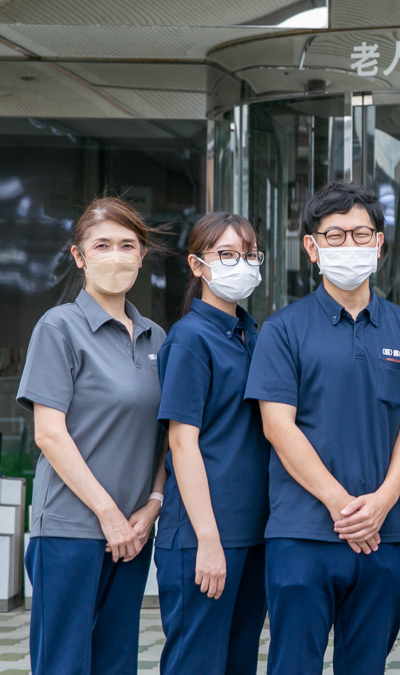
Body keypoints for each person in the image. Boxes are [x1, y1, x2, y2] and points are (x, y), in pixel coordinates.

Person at [245, 180, 400, 674]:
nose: (349, 245)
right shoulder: (282, 329)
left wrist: (381, 504)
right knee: (294, 664)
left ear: (379, 242)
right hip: (303, 534)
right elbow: (278, 427)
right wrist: (342, 505)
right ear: (311, 247)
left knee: (367, 665)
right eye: (334, 236)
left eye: (361, 233)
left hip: (385, 536)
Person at [17, 197, 167, 674]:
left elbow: (167, 434)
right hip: (70, 531)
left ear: (142, 256)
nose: (117, 255)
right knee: (64, 664)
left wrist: (152, 506)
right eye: (102, 244)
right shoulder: (59, 328)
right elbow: (50, 435)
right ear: (79, 256)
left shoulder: (157, 338)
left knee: (117, 662)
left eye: (127, 244)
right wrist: (109, 516)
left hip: (133, 532)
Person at [155, 212, 269, 674]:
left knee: (238, 662)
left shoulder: (252, 334)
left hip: (252, 532)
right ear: (198, 265)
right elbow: (182, 444)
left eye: (249, 255)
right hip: (204, 535)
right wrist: (208, 540)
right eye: (226, 255)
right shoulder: (190, 339)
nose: (240, 265)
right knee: (197, 663)